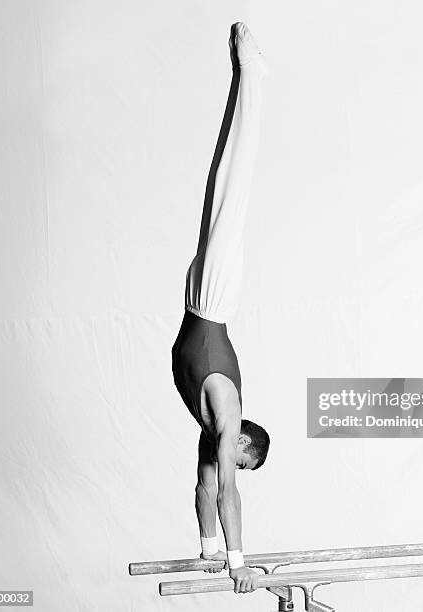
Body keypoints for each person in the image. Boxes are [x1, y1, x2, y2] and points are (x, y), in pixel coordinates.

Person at [171, 22, 270, 595]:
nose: (235, 469)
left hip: (196, 303)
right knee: (235, 185)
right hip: (212, 300)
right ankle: (252, 75)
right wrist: (240, 564)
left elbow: (208, 490)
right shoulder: (227, 415)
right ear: (244, 444)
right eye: (244, 461)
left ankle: (243, 78)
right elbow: (228, 490)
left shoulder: (213, 439)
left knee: (220, 185)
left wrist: (210, 551)